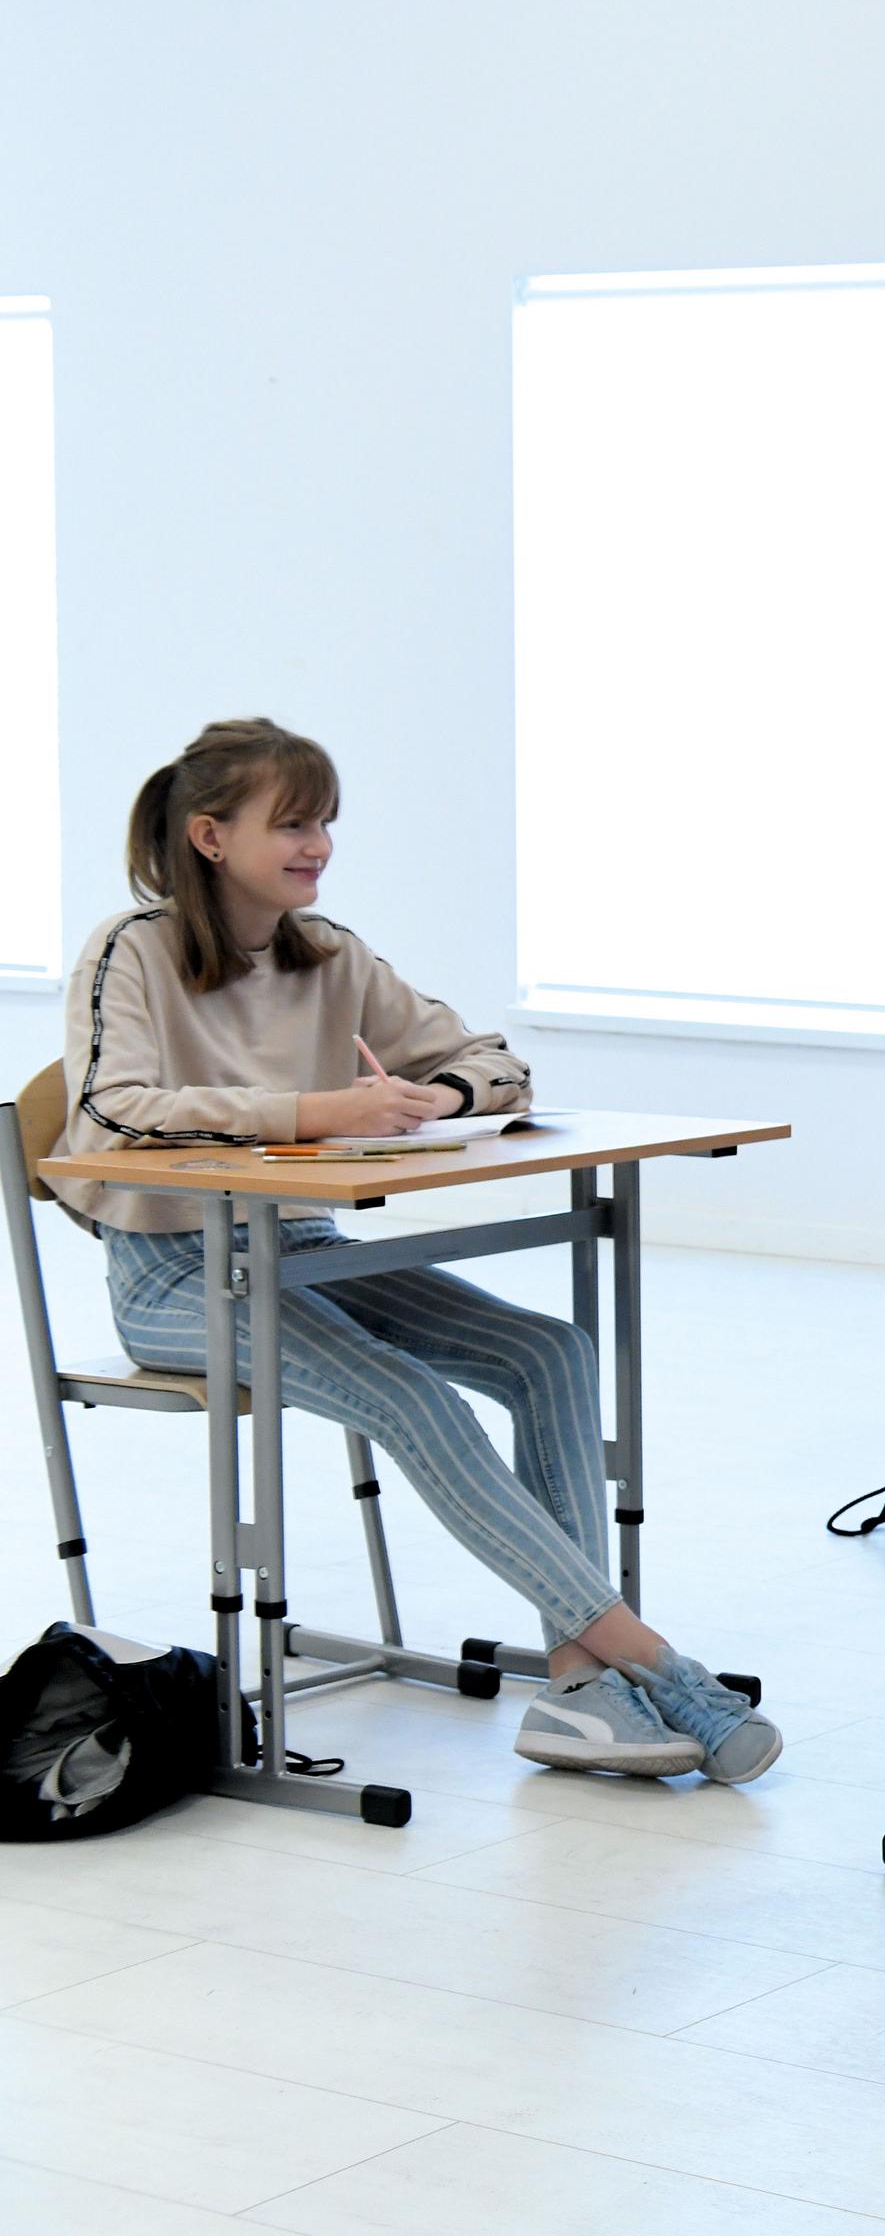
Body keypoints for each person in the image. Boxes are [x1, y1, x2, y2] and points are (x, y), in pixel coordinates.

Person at [52, 719, 778, 1784]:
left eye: (325, 820)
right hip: (176, 1273)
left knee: (553, 1353)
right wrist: (312, 1108)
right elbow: (112, 1114)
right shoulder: (133, 949)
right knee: (413, 1397)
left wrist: (434, 1095)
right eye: (291, 821)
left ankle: (577, 1686)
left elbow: (495, 1062)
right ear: (209, 834)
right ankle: (657, 1663)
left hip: (306, 1243)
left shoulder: (329, 952)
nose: (318, 842)